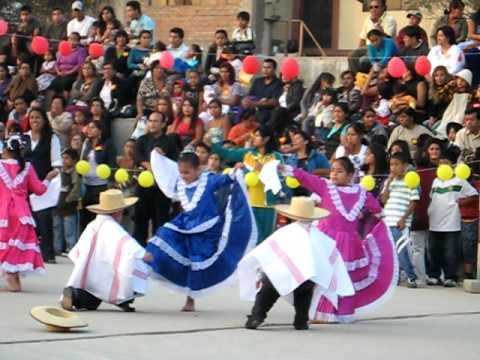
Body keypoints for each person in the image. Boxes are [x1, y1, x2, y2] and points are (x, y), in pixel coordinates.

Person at [145, 152, 256, 312]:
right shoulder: (180, 183)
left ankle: (190, 300)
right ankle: (150, 262)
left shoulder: (209, 180)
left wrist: (236, 170)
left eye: (187, 172)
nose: (183, 176)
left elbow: (227, 179)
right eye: (181, 172)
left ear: (198, 170)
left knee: (195, 263)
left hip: (207, 229)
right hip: (185, 224)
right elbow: (163, 168)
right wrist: (156, 154)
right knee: (164, 233)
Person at [291, 157, 397, 322]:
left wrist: (378, 218)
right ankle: (321, 312)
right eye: (332, 170)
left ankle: (343, 312)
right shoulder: (326, 187)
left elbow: (375, 207)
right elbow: (307, 179)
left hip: (348, 243)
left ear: (350, 175)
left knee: (345, 277)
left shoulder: (360, 192)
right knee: (323, 275)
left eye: (339, 171)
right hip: (326, 238)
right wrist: (289, 170)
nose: (334, 174)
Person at [240, 196, 353, 330]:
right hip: (309, 273)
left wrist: (261, 271)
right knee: (304, 295)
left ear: (293, 216)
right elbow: (329, 255)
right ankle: (301, 321)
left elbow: (269, 252)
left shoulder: (286, 232)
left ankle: (257, 317)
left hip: (281, 271)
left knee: (267, 293)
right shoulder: (320, 236)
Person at [61, 189, 148, 312]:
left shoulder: (93, 225)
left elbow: (78, 250)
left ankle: (74, 295)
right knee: (133, 266)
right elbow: (129, 247)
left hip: (90, 272)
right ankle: (124, 299)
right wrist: (145, 255)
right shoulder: (113, 228)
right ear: (118, 212)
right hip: (108, 273)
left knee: (91, 299)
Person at [0, 135, 58, 291]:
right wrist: (48, 178)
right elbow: (39, 190)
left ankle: (11, 277)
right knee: (16, 246)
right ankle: (13, 276)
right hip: (22, 214)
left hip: (3, 214)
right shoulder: (27, 167)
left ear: (5, 149)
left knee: (5, 244)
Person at [213, 127, 284, 243]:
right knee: (249, 238)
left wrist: (264, 170)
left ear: (266, 139)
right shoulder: (248, 154)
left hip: (268, 205)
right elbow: (228, 155)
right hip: (249, 203)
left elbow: (281, 179)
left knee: (265, 240)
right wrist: (213, 144)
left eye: (257, 135)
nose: (253, 138)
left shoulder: (276, 157)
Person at [427, 159, 478, 287]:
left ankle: (450, 277)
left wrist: (461, 202)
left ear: (451, 167)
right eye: (440, 166)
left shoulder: (459, 181)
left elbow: (474, 195)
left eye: (446, 165)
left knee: (450, 253)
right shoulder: (435, 181)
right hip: (434, 223)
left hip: (452, 223)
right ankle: (434, 276)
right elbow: (432, 197)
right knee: (434, 251)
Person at [134, 111, 180, 246]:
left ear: (163, 124)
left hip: (161, 188)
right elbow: (138, 156)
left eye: (156, 121)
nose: (152, 124)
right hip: (143, 186)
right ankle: (139, 251)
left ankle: (158, 252)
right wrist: (148, 165)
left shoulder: (169, 141)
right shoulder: (142, 139)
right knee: (140, 220)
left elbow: (173, 161)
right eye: (150, 120)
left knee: (160, 222)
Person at [24, 109, 62, 264]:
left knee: (44, 219)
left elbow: (57, 165)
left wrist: (47, 179)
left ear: (44, 120)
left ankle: (48, 253)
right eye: (32, 117)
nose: (34, 120)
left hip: (43, 183)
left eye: (38, 117)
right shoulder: (23, 138)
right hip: (23, 184)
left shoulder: (52, 139)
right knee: (26, 220)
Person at [381, 152, 420, 288]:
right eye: (391, 165)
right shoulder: (390, 181)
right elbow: (384, 200)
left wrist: (403, 218)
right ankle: (395, 277)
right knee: (390, 252)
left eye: (396, 164)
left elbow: (413, 202)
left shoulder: (410, 180)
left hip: (400, 223)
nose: (393, 168)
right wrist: (388, 183)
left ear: (404, 166)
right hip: (388, 220)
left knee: (401, 251)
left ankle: (411, 277)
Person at [79, 120, 116, 231]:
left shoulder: (108, 143)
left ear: (100, 130)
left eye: (93, 127)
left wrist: (111, 182)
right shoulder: (87, 142)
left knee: (99, 217)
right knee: (86, 218)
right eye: (89, 127)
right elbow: (82, 161)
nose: (89, 130)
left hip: (101, 185)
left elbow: (112, 163)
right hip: (86, 185)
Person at [349, 0, 397, 73]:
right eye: (371, 7)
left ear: (383, 8)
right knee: (352, 56)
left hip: (382, 48)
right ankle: (356, 78)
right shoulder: (368, 19)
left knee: (363, 60)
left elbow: (388, 38)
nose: (373, 10)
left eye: (376, 7)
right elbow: (363, 38)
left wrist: (376, 24)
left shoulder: (390, 20)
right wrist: (358, 51)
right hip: (369, 47)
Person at [53, 148, 81, 256]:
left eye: (67, 158)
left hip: (69, 206)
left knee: (69, 230)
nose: (64, 160)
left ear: (74, 160)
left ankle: (71, 249)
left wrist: (68, 199)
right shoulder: (59, 172)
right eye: (63, 158)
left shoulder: (75, 173)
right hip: (58, 204)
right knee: (57, 228)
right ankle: (57, 248)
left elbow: (76, 189)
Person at [244, 59, 283, 124]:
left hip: (267, 112)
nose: (265, 70)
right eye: (264, 67)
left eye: (268, 67)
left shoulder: (278, 83)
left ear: (274, 69)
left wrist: (255, 103)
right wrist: (246, 101)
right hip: (252, 110)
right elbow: (249, 96)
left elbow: (274, 102)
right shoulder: (257, 81)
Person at [50, 32, 88, 97]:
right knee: (52, 84)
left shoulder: (81, 51)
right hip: (61, 73)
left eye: (74, 39)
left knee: (65, 83)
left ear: (78, 41)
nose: (72, 41)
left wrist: (68, 73)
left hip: (72, 74)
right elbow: (57, 63)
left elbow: (80, 65)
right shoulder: (63, 49)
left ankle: (65, 103)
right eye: (70, 39)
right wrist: (58, 72)